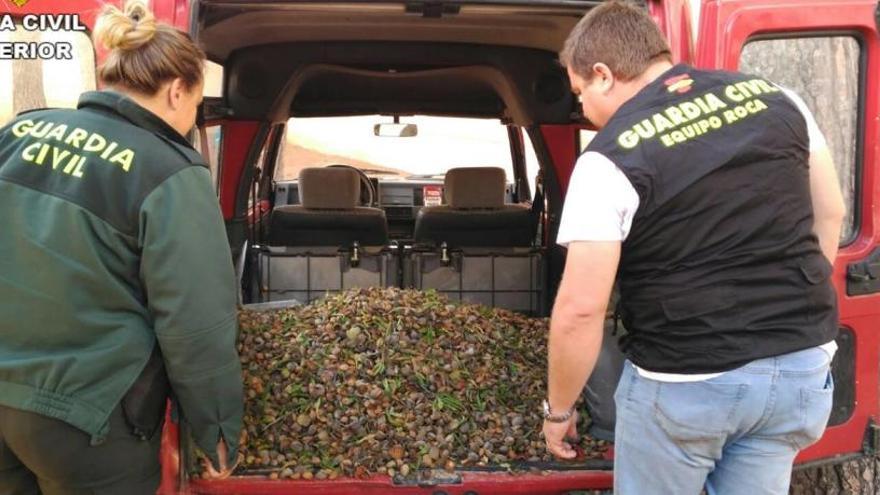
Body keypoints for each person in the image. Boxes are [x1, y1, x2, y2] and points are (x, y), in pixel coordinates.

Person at [542, 2, 845, 494]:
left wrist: (558, 409)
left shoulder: (611, 156)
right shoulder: (778, 99)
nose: (584, 110)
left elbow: (581, 310)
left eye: (580, 93)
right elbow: (829, 213)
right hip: (798, 370)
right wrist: (785, 307)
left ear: (602, 74)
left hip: (687, 383)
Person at [0, 1, 243, 492]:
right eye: (196, 107)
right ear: (178, 91)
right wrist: (216, 427)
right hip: (86, 420)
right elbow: (195, 321)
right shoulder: (169, 171)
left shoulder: (17, 135)